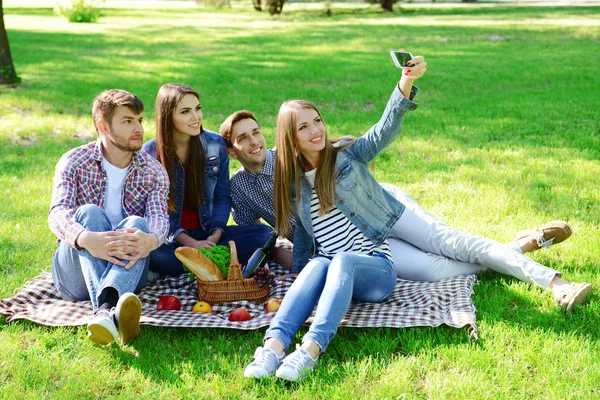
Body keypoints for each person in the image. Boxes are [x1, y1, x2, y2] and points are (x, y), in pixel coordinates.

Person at [242, 54, 592, 381]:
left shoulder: (345, 156)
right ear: (290, 136)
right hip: (360, 260)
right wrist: (288, 272)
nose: (316, 130)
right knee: (419, 270)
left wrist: (405, 81)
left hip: (381, 236)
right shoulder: (292, 188)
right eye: (304, 127)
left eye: (317, 120)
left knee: (457, 247)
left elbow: (382, 132)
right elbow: (305, 246)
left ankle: (557, 285)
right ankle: (519, 245)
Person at [219, 110, 581, 294]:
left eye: (257, 132)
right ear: (231, 149)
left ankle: (545, 276)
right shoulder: (238, 189)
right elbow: (261, 233)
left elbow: (364, 143)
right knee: (435, 271)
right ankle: (518, 246)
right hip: (347, 244)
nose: (254, 142)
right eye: (243, 139)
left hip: (377, 208)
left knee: (453, 245)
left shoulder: (292, 155)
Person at [49, 89, 170, 346]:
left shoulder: (154, 171)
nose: (138, 128)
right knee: (89, 213)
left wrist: (152, 239)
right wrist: (86, 238)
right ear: (103, 126)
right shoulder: (74, 161)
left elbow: (159, 218)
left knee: (138, 226)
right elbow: (57, 213)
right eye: (127, 121)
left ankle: (106, 311)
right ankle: (114, 307)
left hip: (127, 267)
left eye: (139, 120)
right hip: (75, 274)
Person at [143, 83, 273, 276]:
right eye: (186, 111)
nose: (196, 117)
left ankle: (195, 266)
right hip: (174, 239)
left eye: (197, 109)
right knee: (152, 254)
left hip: (210, 233)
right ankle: (209, 264)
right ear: (168, 116)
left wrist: (214, 236)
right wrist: (192, 244)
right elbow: (156, 210)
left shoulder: (215, 145)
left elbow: (222, 196)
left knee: (265, 235)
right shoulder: (150, 154)